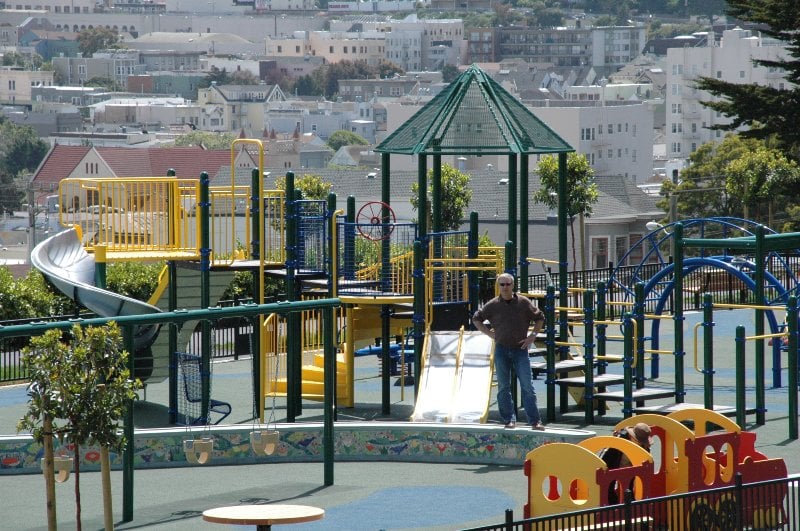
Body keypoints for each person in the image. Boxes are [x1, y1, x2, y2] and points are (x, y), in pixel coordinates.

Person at [472, 272, 545, 430]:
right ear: (498, 286)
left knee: (527, 386)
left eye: (508, 284)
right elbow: (476, 318)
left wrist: (532, 335)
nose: (505, 287)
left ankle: (535, 421)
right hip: (502, 349)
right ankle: (508, 419)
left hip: (520, 349)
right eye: (502, 284)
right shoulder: (492, 305)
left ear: (513, 285)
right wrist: (490, 333)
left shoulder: (523, 303)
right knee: (503, 386)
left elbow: (540, 317)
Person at [599, 422, 653, 504]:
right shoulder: (619, 440)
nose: (640, 443)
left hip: (629, 469)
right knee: (608, 489)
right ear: (631, 436)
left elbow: (646, 458)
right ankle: (612, 506)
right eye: (638, 441)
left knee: (628, 489)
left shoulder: (644, 447)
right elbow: (605, 457)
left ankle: (629, 507)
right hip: (613, 466)